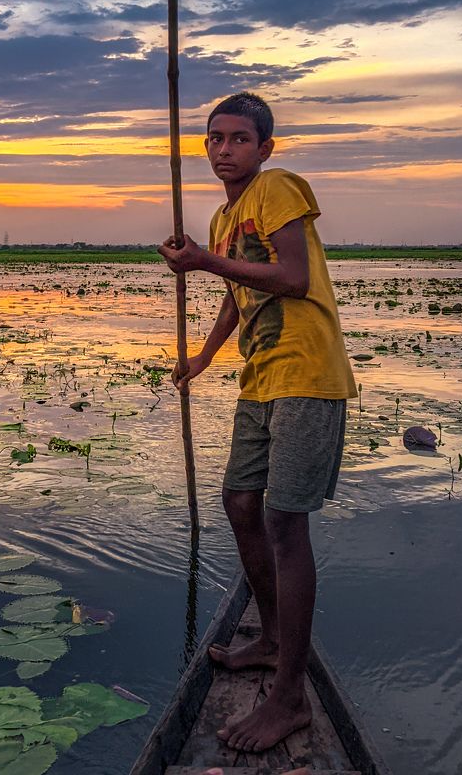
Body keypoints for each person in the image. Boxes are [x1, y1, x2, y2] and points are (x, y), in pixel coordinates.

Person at [158, 92, 356, 754]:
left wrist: (206, 261)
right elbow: (237, 298)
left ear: (264, 148)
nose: (223, 150)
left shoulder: (276, 188)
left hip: (306, 373)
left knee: (282, 519)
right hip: (260, 380)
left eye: (239, 139)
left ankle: (291, 697)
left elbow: (293, 278)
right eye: (214, 139)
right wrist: (204, 355)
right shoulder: (221, 218)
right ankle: (270, 638)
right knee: (240, 502)